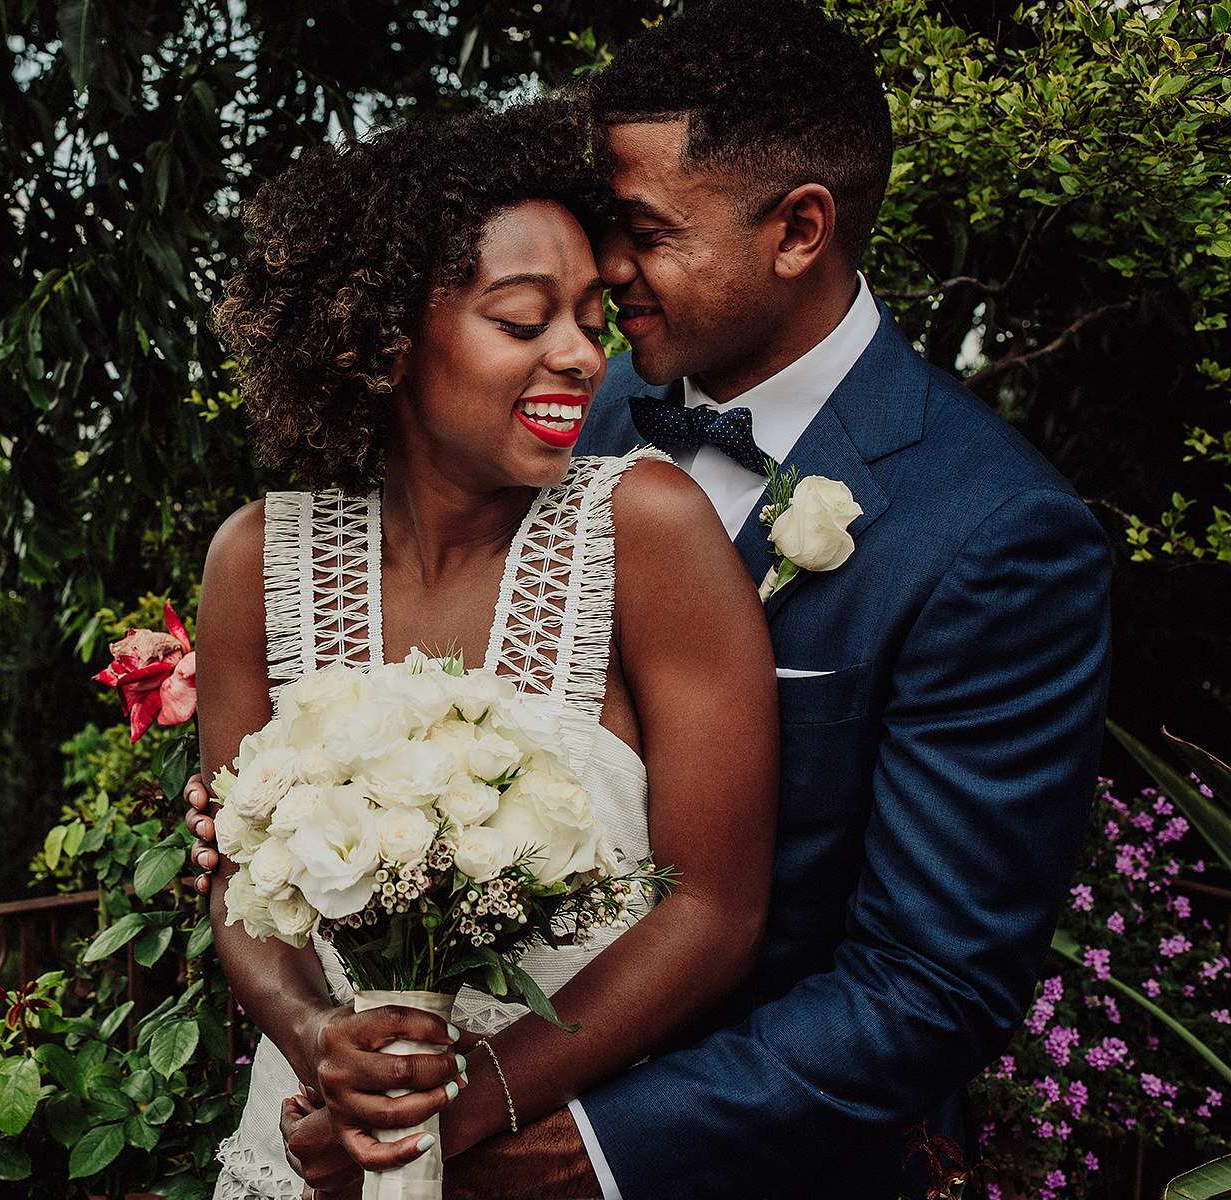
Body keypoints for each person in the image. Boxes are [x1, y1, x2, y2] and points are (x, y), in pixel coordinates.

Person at [189, 2, 1114, 1197]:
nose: (603, 284)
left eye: (641, 232)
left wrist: (509, 1143)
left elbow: (930, 982)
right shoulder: (570, 416)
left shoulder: (993, 530)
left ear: (799, 231)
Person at [197, 99, 780, 1200]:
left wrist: (433, 1122)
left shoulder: (645, 531)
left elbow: (716, 910)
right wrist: (318, 1038)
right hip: (304, 1156)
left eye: (590, 315)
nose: (582, 356)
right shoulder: (252, 561)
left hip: (529, 1159)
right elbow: (238, 880)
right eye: (524, 320)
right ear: (384, 336)